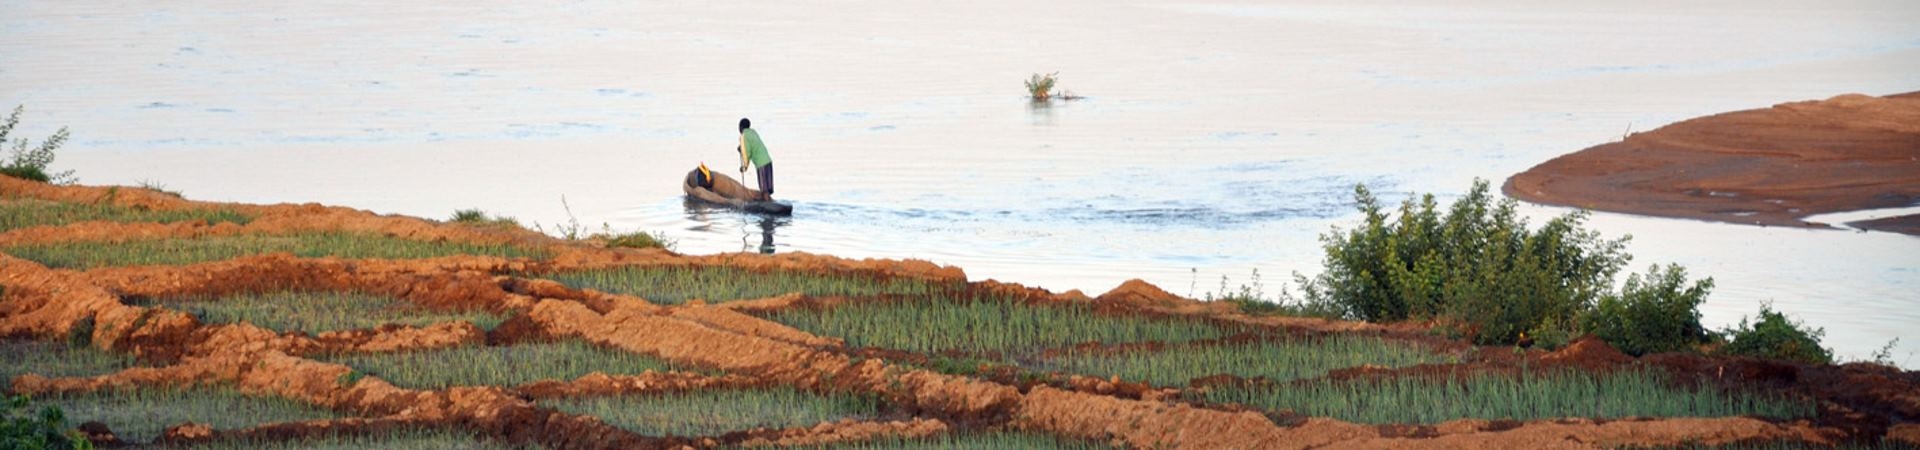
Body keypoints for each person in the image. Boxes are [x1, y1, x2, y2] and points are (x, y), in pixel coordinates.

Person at [737, 117, 773, 201]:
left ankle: (768, 208)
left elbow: (747, 153)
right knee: (767, 189)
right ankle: (769, 203)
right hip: (768, 161)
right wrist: (742, 148)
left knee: (764, 190)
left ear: (741, 127)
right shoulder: (753, 132)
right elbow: (752, 145)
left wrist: (744, 167)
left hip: (761, 164)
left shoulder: (744, 136)